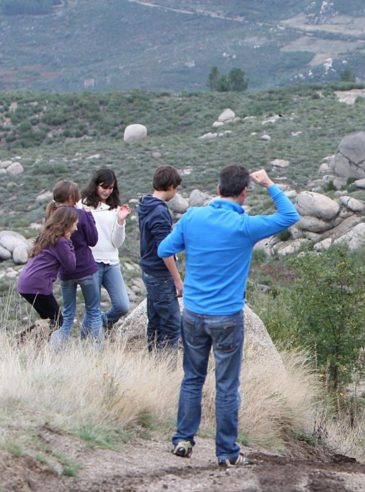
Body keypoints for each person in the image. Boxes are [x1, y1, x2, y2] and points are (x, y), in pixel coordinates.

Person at [158, 165, 299, 467]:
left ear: (218, 187)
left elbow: (164, 249)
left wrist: (184, 275)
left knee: (192, 378)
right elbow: (290, 216)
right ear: (244, 192)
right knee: (226, 386)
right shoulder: (245, 226)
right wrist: (269, 184)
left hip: (193, 313)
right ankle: (226, 454)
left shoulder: (194, 217)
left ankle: (183, 439)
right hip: (227, 317)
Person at [48, 181, 101, 347]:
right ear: (72, 197)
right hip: (86, 268)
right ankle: (97, 352)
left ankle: (55, 351)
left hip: (65, 272)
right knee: (94, 311)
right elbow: (93, 240)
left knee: (67, 314)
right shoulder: (80, 214)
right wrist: (89, 215)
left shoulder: (52, 215)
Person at [79, 168, 132, 329]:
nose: (107, 191)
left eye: (110, 188)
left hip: (111, 262)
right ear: (96, 185)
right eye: (104, 187)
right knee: (92, 308)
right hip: (90, 263)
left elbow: (117, 242)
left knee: (122, 305)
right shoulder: (82, 204)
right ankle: (90, 344)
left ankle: (99, 325)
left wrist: (121, 221)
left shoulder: (115, 208)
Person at [138, 165, 183, 351]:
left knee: (155, 322)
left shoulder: (145, 204)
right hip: (160, 275)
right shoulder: (160, 212)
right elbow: (164, 250)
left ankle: (154, 364)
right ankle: (167, 370)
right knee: (172, 326)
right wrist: (177, 280)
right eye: (177, 188)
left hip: (148, 270)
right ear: (171, 186)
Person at [15, 206, 80, 329]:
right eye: (75, 224)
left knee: (47, 320)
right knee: (57, 321)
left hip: (26, 283)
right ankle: (20, 341)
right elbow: (71, 265)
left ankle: (34, 345)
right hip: (38, 285)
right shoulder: (61, 241)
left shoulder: (47, 236)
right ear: (67, 224)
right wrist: (69, 242)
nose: (76, 228)